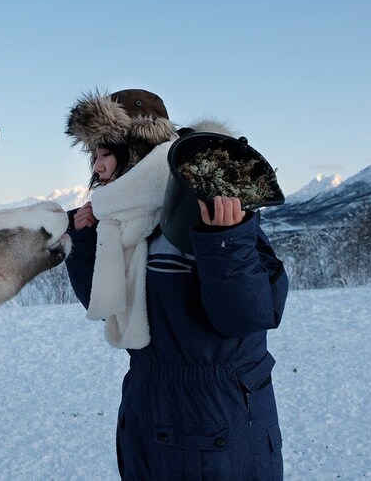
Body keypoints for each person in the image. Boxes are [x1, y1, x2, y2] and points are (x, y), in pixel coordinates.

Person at [64, 89, 289, 480]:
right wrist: (84, 246)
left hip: (217, 417)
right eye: (94, 157)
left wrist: (227, 241)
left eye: (105, 153)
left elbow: (250, 315)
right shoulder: (121, 222)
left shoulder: (207, 198)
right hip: (147, 408)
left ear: (136, 146)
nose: (98, 168)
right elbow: (109, 307)